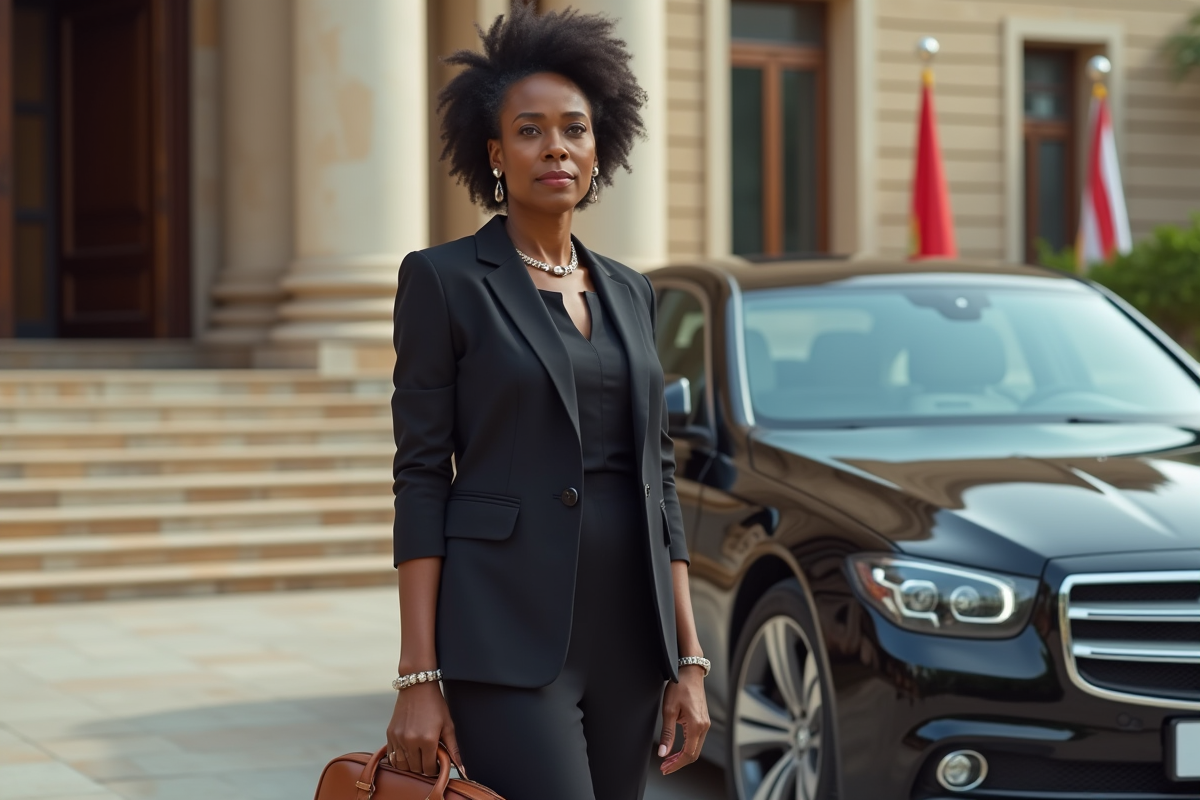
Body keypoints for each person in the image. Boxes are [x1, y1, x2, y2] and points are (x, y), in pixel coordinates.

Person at [384, 5, 710, 800]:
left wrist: (688, 657)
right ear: (495, 153)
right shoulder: (445, 280)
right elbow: (422, 476)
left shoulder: (631, 291)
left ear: (600, 149)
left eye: (574, 129)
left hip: (632, 640)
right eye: (530, 131)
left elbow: (657, 480)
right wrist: (418, 673)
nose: (555, 146)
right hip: (505, 636)